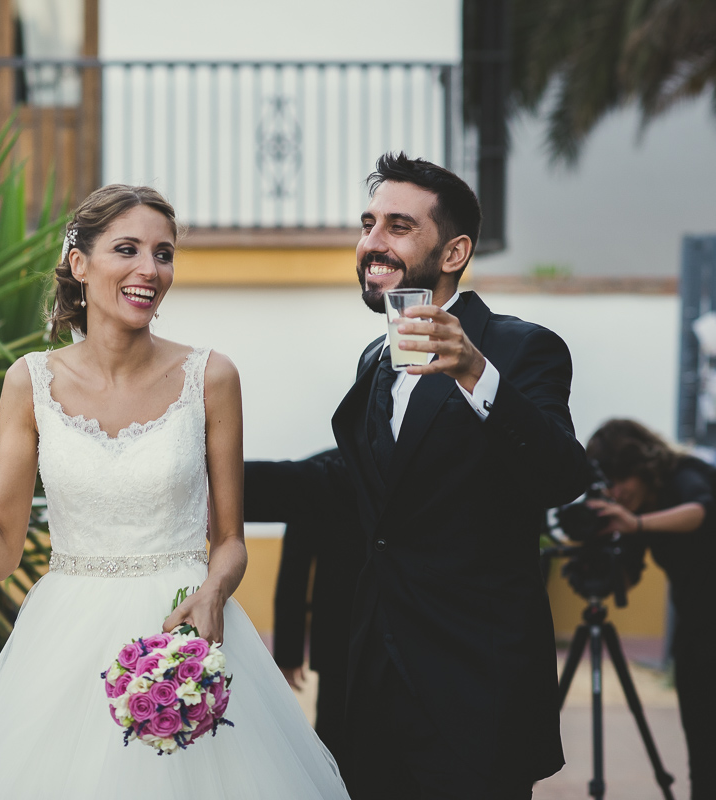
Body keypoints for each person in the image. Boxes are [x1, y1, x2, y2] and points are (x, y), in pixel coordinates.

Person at [0, 185, 348, 799]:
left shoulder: (212, 376)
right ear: (79, 263)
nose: (150, 270)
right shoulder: (30, 381)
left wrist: (213, 593)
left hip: (183, 632)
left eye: (163, 253)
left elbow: (228, 541)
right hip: (65, 649)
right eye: (128, 249)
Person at [248, 153, 592, 799]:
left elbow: (561, 476)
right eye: (367, 223)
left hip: (475, 688)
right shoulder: (375, 357)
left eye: (397, 226)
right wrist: (190, 472)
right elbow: (344, 485)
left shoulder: (520, 347)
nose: (371, 242)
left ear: (454, 250)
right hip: (371, 684)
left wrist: (472, 370)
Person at [585, 418, 716, 800]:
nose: (616, 491)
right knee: (704, 758)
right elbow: (627, 579)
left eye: (621, 479)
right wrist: (598, 557)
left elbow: (702, 510)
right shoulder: (635, 512)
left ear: (642, 469)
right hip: (697, 637)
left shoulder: (684, 474)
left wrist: (636, 524)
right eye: (608, 484)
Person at [244, 448, 362, 766]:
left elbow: (295, 566)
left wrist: (288, 655)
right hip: (340, 636)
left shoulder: (326, 465)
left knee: (339, 738)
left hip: (339, 633)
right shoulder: (327, 471)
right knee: (337, 737)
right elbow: (295, 567)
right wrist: (288, 653)